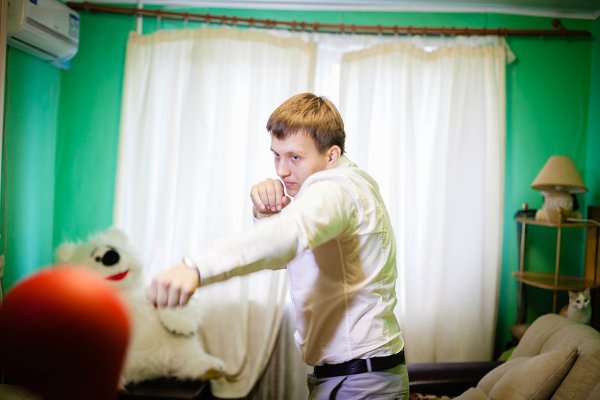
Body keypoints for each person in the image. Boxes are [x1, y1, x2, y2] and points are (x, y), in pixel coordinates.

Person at [147, 93, 409, 399]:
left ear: (331, 155)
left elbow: (290, 236)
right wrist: (267, 216)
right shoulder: (347, 186)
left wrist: (196, 268)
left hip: (360, 382)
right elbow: (288, 254)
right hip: (354, 377)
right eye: (276, 155)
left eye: (294, 157)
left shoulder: (336, 190)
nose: (281, 170)